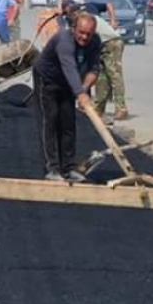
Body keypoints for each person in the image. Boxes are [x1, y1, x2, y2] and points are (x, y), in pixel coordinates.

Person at [33, 11, 101, 183]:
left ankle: (68, 168)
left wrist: (83, 89)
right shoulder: (64, 41)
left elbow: (94, 69)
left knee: (68, 123)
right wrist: (80, 92)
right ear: (73, 29)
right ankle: (52, 168)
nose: (85, 37)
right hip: (47, 79)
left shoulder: (95, 42)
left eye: (88, 34)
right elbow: (69, 66)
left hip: (70, 82)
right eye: (81, 33)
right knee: (50, 121)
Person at [68, 0, 128, 121]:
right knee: (101, 77)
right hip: (101, 45)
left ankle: (121, 108)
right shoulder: (82, 19)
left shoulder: (85, 20)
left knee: (114, 75)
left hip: (112, 42)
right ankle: (99, 109)